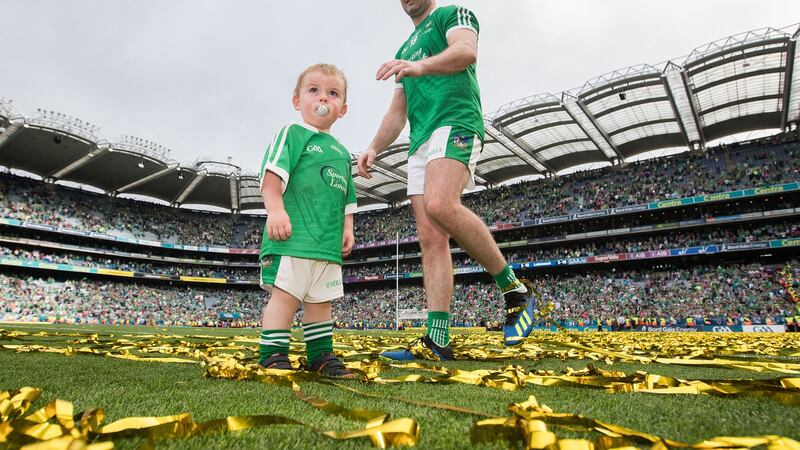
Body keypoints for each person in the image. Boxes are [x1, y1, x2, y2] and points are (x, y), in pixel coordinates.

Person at [358, 0, 534, 361]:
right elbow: (397, 112)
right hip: (419, 140)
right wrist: (373, 147)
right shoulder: (403, 51)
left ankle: (513, 289)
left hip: (455, 121)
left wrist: (420, 67)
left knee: (440, 202)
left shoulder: (452, 14)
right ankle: (437, 340)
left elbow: (466, 52)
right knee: (430, 238)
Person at [257, 63, 357, 378]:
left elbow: (348, 197)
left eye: (332, 93)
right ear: (297, 101)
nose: (322, 98)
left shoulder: (342, 152)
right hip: (293, 240)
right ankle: (273, 354)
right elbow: (271, 176)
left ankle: (320, 356)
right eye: (313, 90)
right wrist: (275, 209)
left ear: (343, 108)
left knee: (321, 303)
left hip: (326, 246)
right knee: (285, 299)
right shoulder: (293, 133)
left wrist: (347, 228)